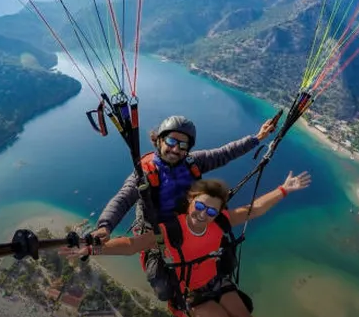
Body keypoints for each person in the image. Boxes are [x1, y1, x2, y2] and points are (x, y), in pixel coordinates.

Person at [75, 172, 322, 317]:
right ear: (190, 201)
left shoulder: (220, 222)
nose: (203, 214)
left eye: (211, 212)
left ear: (218, 213)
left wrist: (284, 189)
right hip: (190, 292)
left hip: (216, 280)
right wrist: (94, 249)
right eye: (200, 206)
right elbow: (131, 245)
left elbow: (255, 209)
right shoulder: (171, 230)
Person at [92, 114, 278, 300]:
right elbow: (123, 198)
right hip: (158, 234)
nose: (175, 149)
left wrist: (258, 138)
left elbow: (225, 153)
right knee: (164, 290)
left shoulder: (192, 162)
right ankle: (185, 299)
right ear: (159, 140)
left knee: (227, 263)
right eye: (171, 141)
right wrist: (105, 226)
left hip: (190, 225)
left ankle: (210, 285)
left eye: (183, 145)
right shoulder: (144, 172)